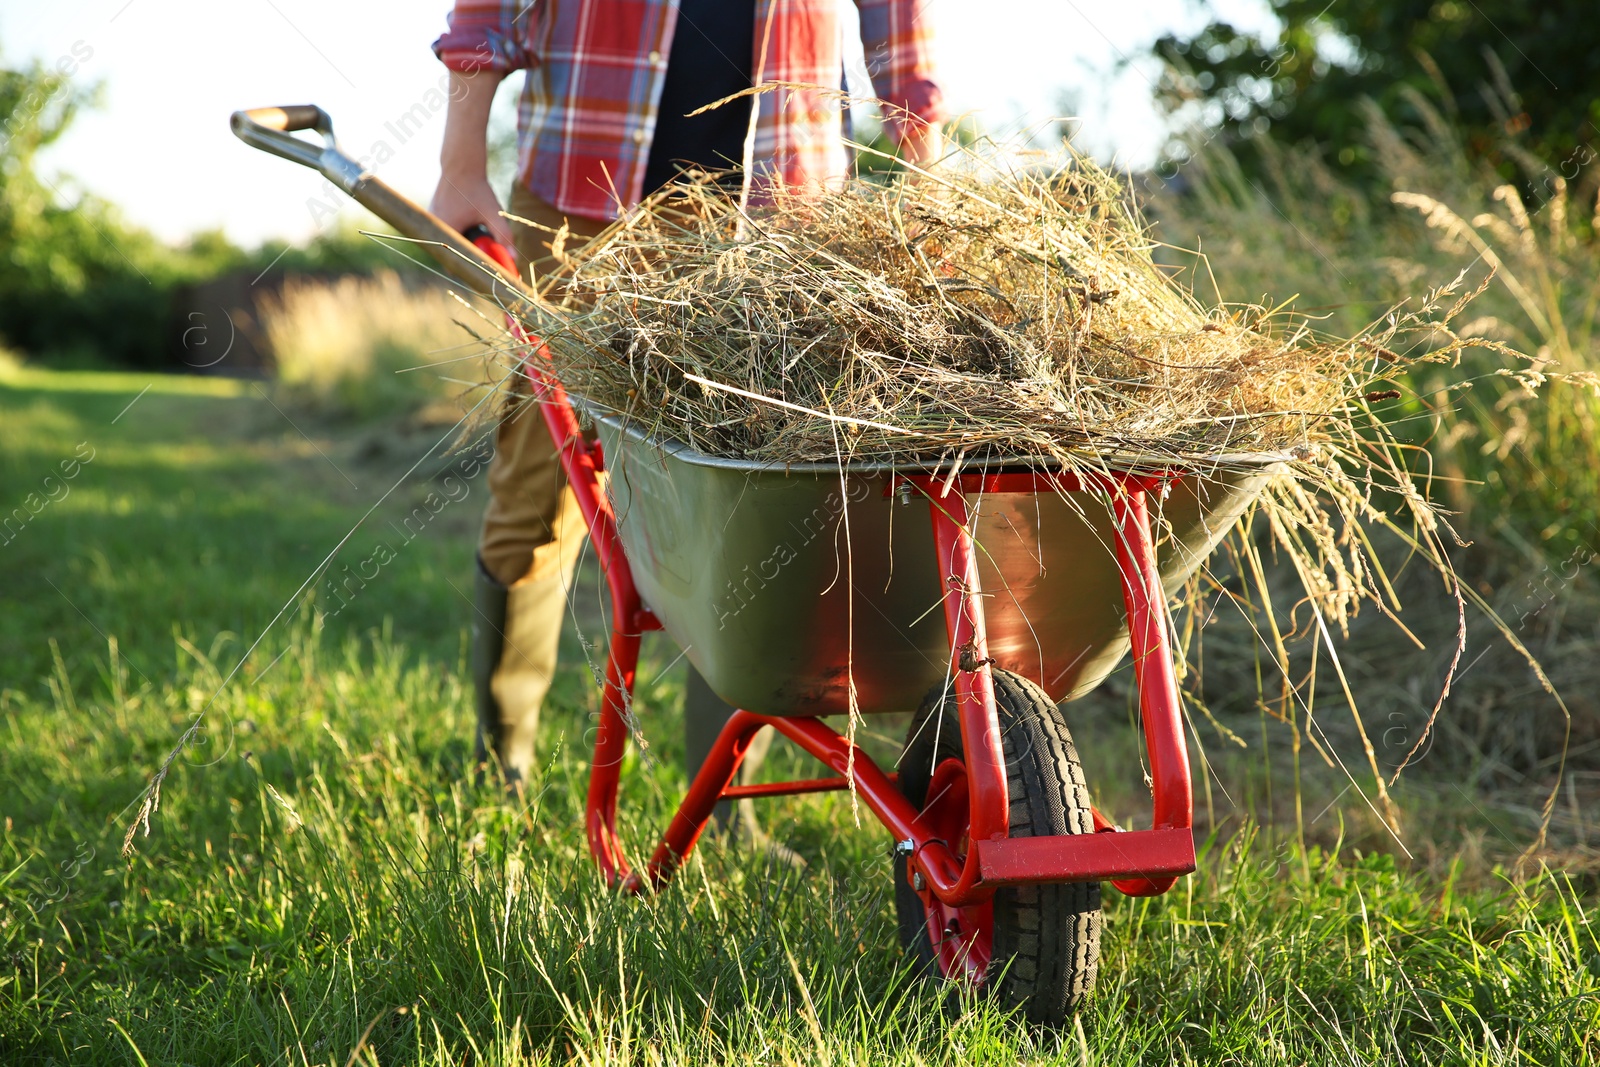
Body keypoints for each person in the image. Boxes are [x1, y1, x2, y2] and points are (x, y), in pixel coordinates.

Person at [428, 0, 946, 811]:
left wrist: (924, 171)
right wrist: (461, 162)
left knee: (755, 507)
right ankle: (502, 767)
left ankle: (722, 799)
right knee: (540, 484)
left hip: (780, 209)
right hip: (585, 196)